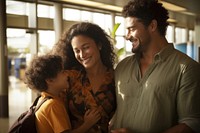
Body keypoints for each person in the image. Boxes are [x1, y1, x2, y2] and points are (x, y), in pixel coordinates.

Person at [111, 0, 200, 133]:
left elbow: (191, 123)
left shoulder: (186, 68)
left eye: (132, 29)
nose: (127, 36)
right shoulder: (122, 66)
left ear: (152, 26)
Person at [51, 22, 116, 133]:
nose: (82, 55)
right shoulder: (68, 78)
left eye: (86, 47)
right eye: (77, 50)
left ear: (99, 45)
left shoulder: (116, 77)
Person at [24, 54, 101, 133]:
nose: (67, 74)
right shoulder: (52, 105)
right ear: (50, 80)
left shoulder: (43, 99)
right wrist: (87, 124)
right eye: (62, 72)